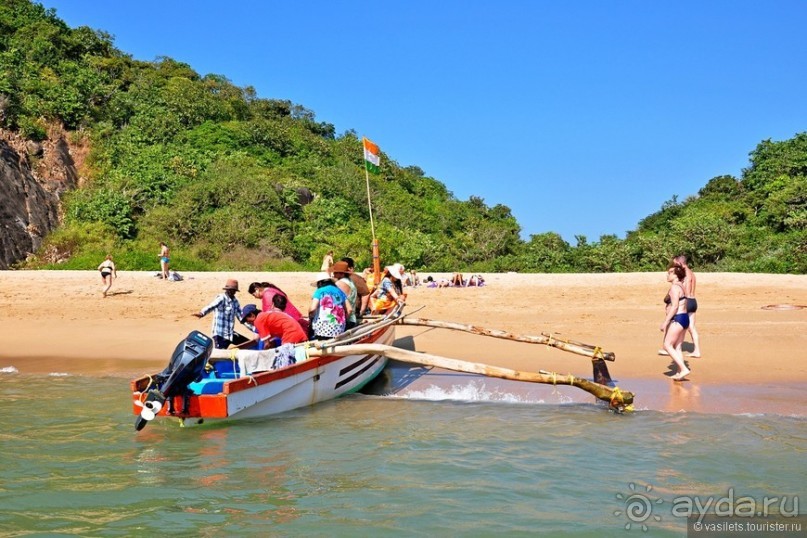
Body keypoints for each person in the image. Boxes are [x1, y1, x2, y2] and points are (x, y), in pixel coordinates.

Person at [660, 263, 691, 381]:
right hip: (684, 318)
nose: (667, 275)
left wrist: (665, 322)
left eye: (670, 272)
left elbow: (674, 306)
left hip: (677, 318)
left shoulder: (674, 288)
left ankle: (683, 369)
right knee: (677, 347)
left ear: (675, 274)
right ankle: (679, 372)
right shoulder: (682, 286)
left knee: (667, 345)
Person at [193, 279, 242, 349]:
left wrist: (253, 325)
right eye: (230, 290)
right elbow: (211, 306)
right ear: (226, 290)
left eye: (233, 290)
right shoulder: (221, 298)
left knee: (243, 343)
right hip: (219, 334)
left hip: (229, 334)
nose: (231, 292)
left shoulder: (235, 301)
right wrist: (202, 313)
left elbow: (241, 316)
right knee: (219, 351)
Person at [309, 272, 351, 339]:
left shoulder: (319, 291)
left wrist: (310, 315)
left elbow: (313, 309)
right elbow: (349, 309)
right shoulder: (339, 291)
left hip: (323, 327)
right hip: (339, 327)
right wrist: (344, 321)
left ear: (319, 283)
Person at [675, 254, 701, 358]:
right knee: (692, 327)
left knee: (680, 325)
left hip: (686, 301)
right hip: (693, 300)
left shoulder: (685, 273)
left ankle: (677, 348)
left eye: (676, 263)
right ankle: (697, 351)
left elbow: (684, 288)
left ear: (680, 262)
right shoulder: (692, 273)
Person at [332, 260, 358, 329]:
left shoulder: (340, 283)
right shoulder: (350, 281)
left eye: (335, 272)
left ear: (341, 274)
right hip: (352, 318)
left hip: (345, 319)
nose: (333, 274)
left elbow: (337, 302)